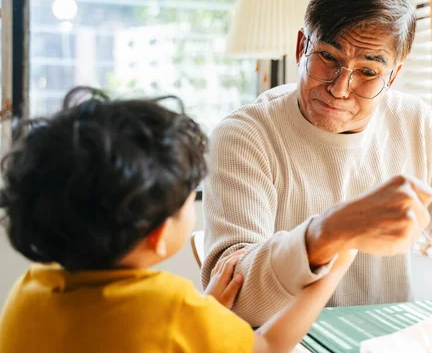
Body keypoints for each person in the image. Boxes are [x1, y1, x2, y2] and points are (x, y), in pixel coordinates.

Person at [202, 0, 432, 327]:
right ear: (300, 48)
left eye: (368, 72)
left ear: (393, 76)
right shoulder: (244, 136)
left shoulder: (415, 124)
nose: (340, 88)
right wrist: (328, 232)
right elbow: (234, 304)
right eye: (328, 57)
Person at [0, 87, 356, 353]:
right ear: (157, 234)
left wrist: (206, 313)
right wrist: (335, 267)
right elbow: (268, 346)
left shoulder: (28, 291)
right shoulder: (171, 308)